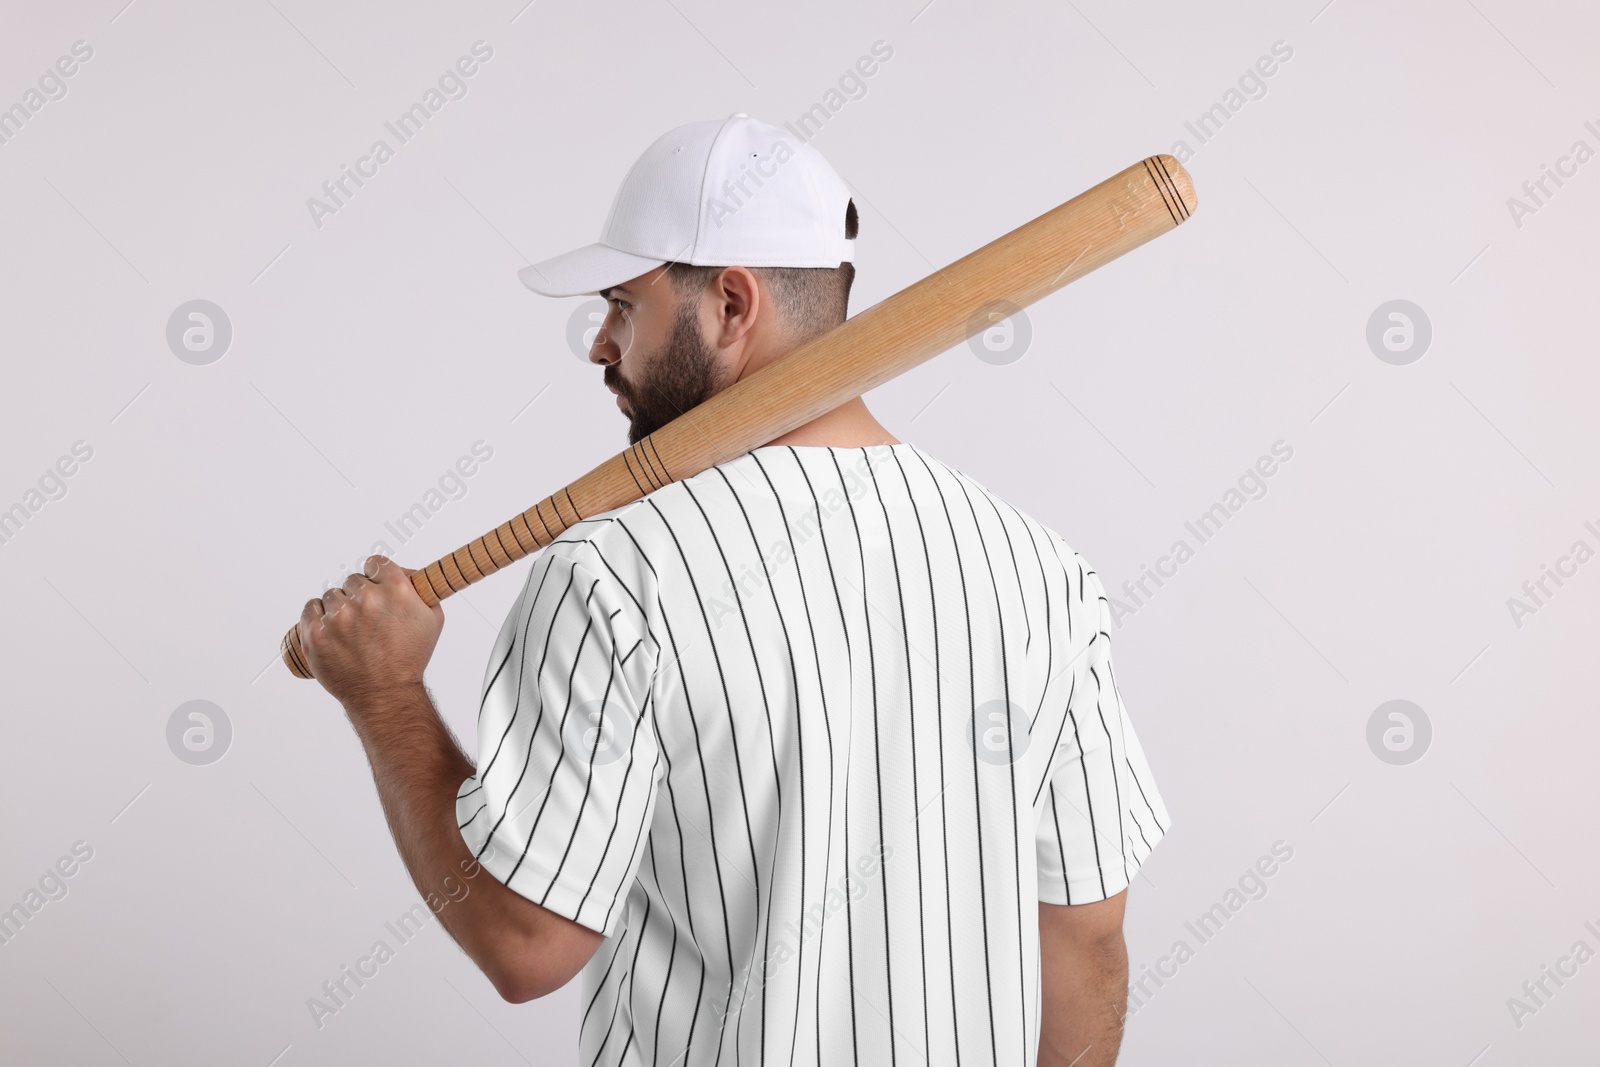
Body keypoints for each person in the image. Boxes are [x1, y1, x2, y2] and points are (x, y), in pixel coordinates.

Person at [298, 113, 1171, 1066]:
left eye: (624, 303)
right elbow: (1085, 938)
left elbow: (524, 942)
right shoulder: (1038, 569)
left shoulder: (613, 572)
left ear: (730, 304)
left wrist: (383, 692)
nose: (600, 344)